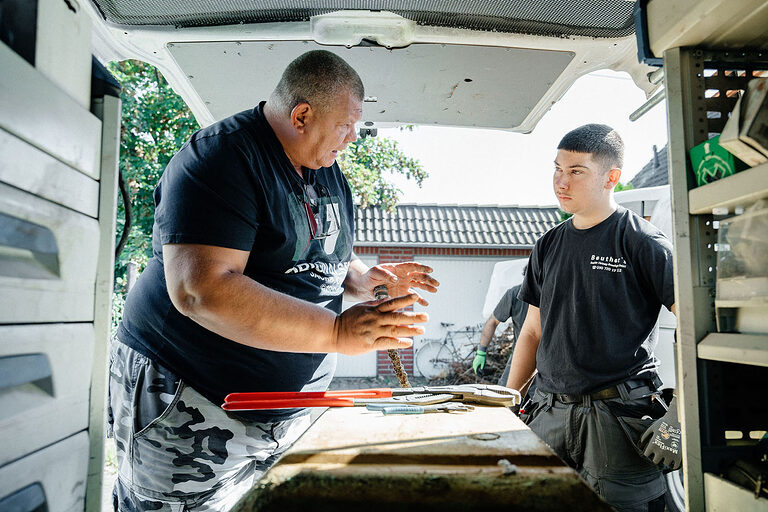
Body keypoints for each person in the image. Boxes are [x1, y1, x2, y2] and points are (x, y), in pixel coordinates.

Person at [107, 50, 439, 512]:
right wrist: (337, 333)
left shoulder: (324, 167)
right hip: (193, 394)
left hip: (285, 411)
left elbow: (314, 249)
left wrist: (364, 279)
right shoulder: (222, 157)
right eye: (346, 125)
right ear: (302, 114)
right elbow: (202, 291)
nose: (352, 138)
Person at [505, 124, 679, 512]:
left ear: (611, 177)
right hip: (548, 414)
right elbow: (532, 331)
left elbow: (697, 324)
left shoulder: (642, 242)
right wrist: (509, 403)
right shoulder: (548, 244)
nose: (560, 181)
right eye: (557, 168)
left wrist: (683, 414)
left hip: (617, 421)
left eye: (576, 171)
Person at [472, 266, 528, 386]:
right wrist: (481, 352)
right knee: (505, 395)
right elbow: (492, 322)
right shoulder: (515, 294)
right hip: (519, 358)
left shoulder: (550, 296)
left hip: (545, 364)